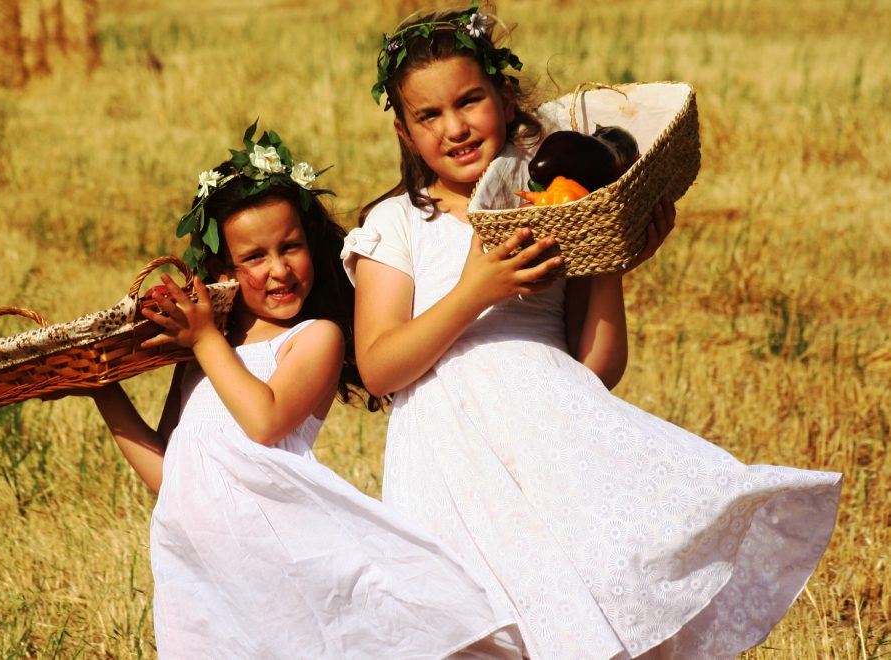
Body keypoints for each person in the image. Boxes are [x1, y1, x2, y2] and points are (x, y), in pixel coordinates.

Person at [342, 4, 842, 659]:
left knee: (579, 610)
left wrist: (609, 255)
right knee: (475, 629)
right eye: (428, 116)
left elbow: (597, 369)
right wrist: (474, 293)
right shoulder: (398, 222)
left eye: (470, 101)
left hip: (555, 448)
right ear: (405, 135)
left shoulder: (558, 205)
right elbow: (379, 367)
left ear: (504, 97)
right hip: (449, 464)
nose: (456, 127)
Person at [82, 123, 526, 659]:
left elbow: (264, 421)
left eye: (290, 246)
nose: (279, 269)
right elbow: (169, 474)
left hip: (291, 556)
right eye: (254, 257)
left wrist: (202, 340)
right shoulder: (206, 356)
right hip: (210, 574)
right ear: (223, 267)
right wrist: (100, 389)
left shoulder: (315, 338)